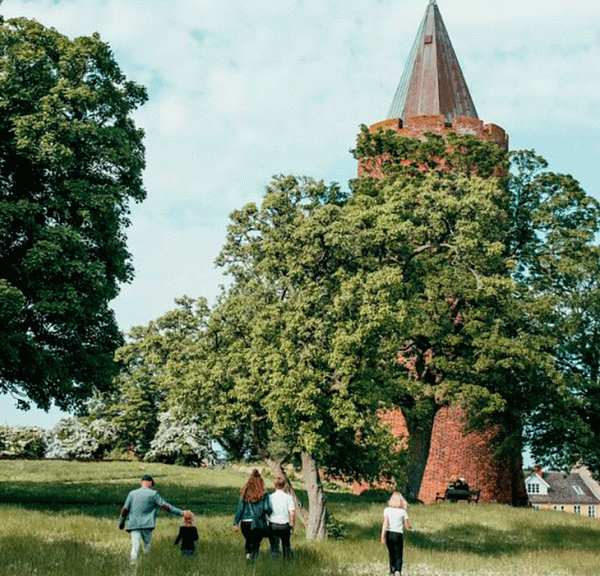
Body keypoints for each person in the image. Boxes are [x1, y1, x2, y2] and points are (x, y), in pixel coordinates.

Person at [119, 474, 191, 563]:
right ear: (150, 482)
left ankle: (132, 567)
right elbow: (165, 506)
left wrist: (121, 523)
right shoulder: (153, 494)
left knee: (135, 548)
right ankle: (147, 565)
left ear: (141, 482)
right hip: (147, 525)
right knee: (147, 546)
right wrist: (181, 513)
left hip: (134, 525)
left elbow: (125, 510)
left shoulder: (132, 494)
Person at [233, 469, 272, 561]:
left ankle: (248, 556)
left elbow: (240, 509)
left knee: (248, 540)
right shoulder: (264, 493)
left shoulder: (245, 492)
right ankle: (254, 559)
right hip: (258, 521)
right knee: (256, 542)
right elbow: (266, 508)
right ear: (261, 481)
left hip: (245, 522)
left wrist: (235, 523)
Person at [381, 491, 411, 576]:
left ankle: (392, 569)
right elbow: (407, 526)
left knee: (391, 552)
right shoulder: (403, 512)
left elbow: (385, 523)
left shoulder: (387, 510)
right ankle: (398, 570)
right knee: (399, 553)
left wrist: (383, 535)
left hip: (389, 533)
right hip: (398, 534)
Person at [268, 476, 296, 559]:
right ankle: (287, 563)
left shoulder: (270, 497)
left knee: (274, 547)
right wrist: (292, 525)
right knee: (286, 546)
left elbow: (266, 512)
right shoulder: (288, 498)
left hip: (273, 525)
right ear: (284, 485)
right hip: (284, 525)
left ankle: (275, 565)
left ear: (274, 485)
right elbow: (292, 513)